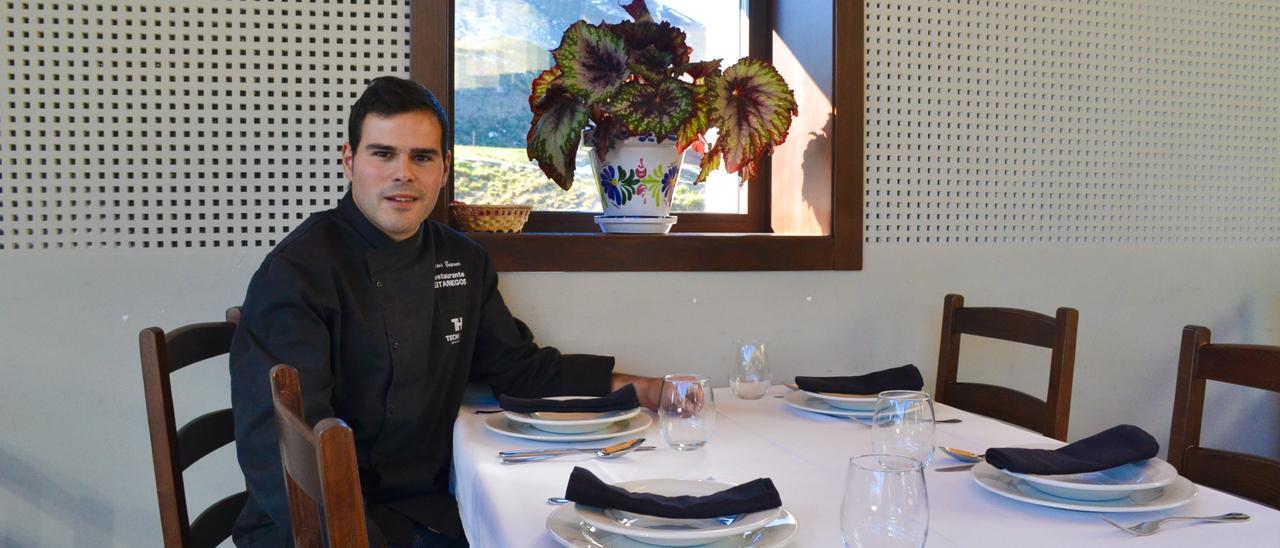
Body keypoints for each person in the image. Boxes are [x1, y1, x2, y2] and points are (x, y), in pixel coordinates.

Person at [229, 76, 661, 547]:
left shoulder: (462, 260)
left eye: (422, 156)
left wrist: (640, 388)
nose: (403, 174)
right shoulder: (298, 271)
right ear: (349, 161)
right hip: (311, 526)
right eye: (382, 154)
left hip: (422, 510)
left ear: (444, 168)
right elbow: (278, 444)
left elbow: (518, 369)